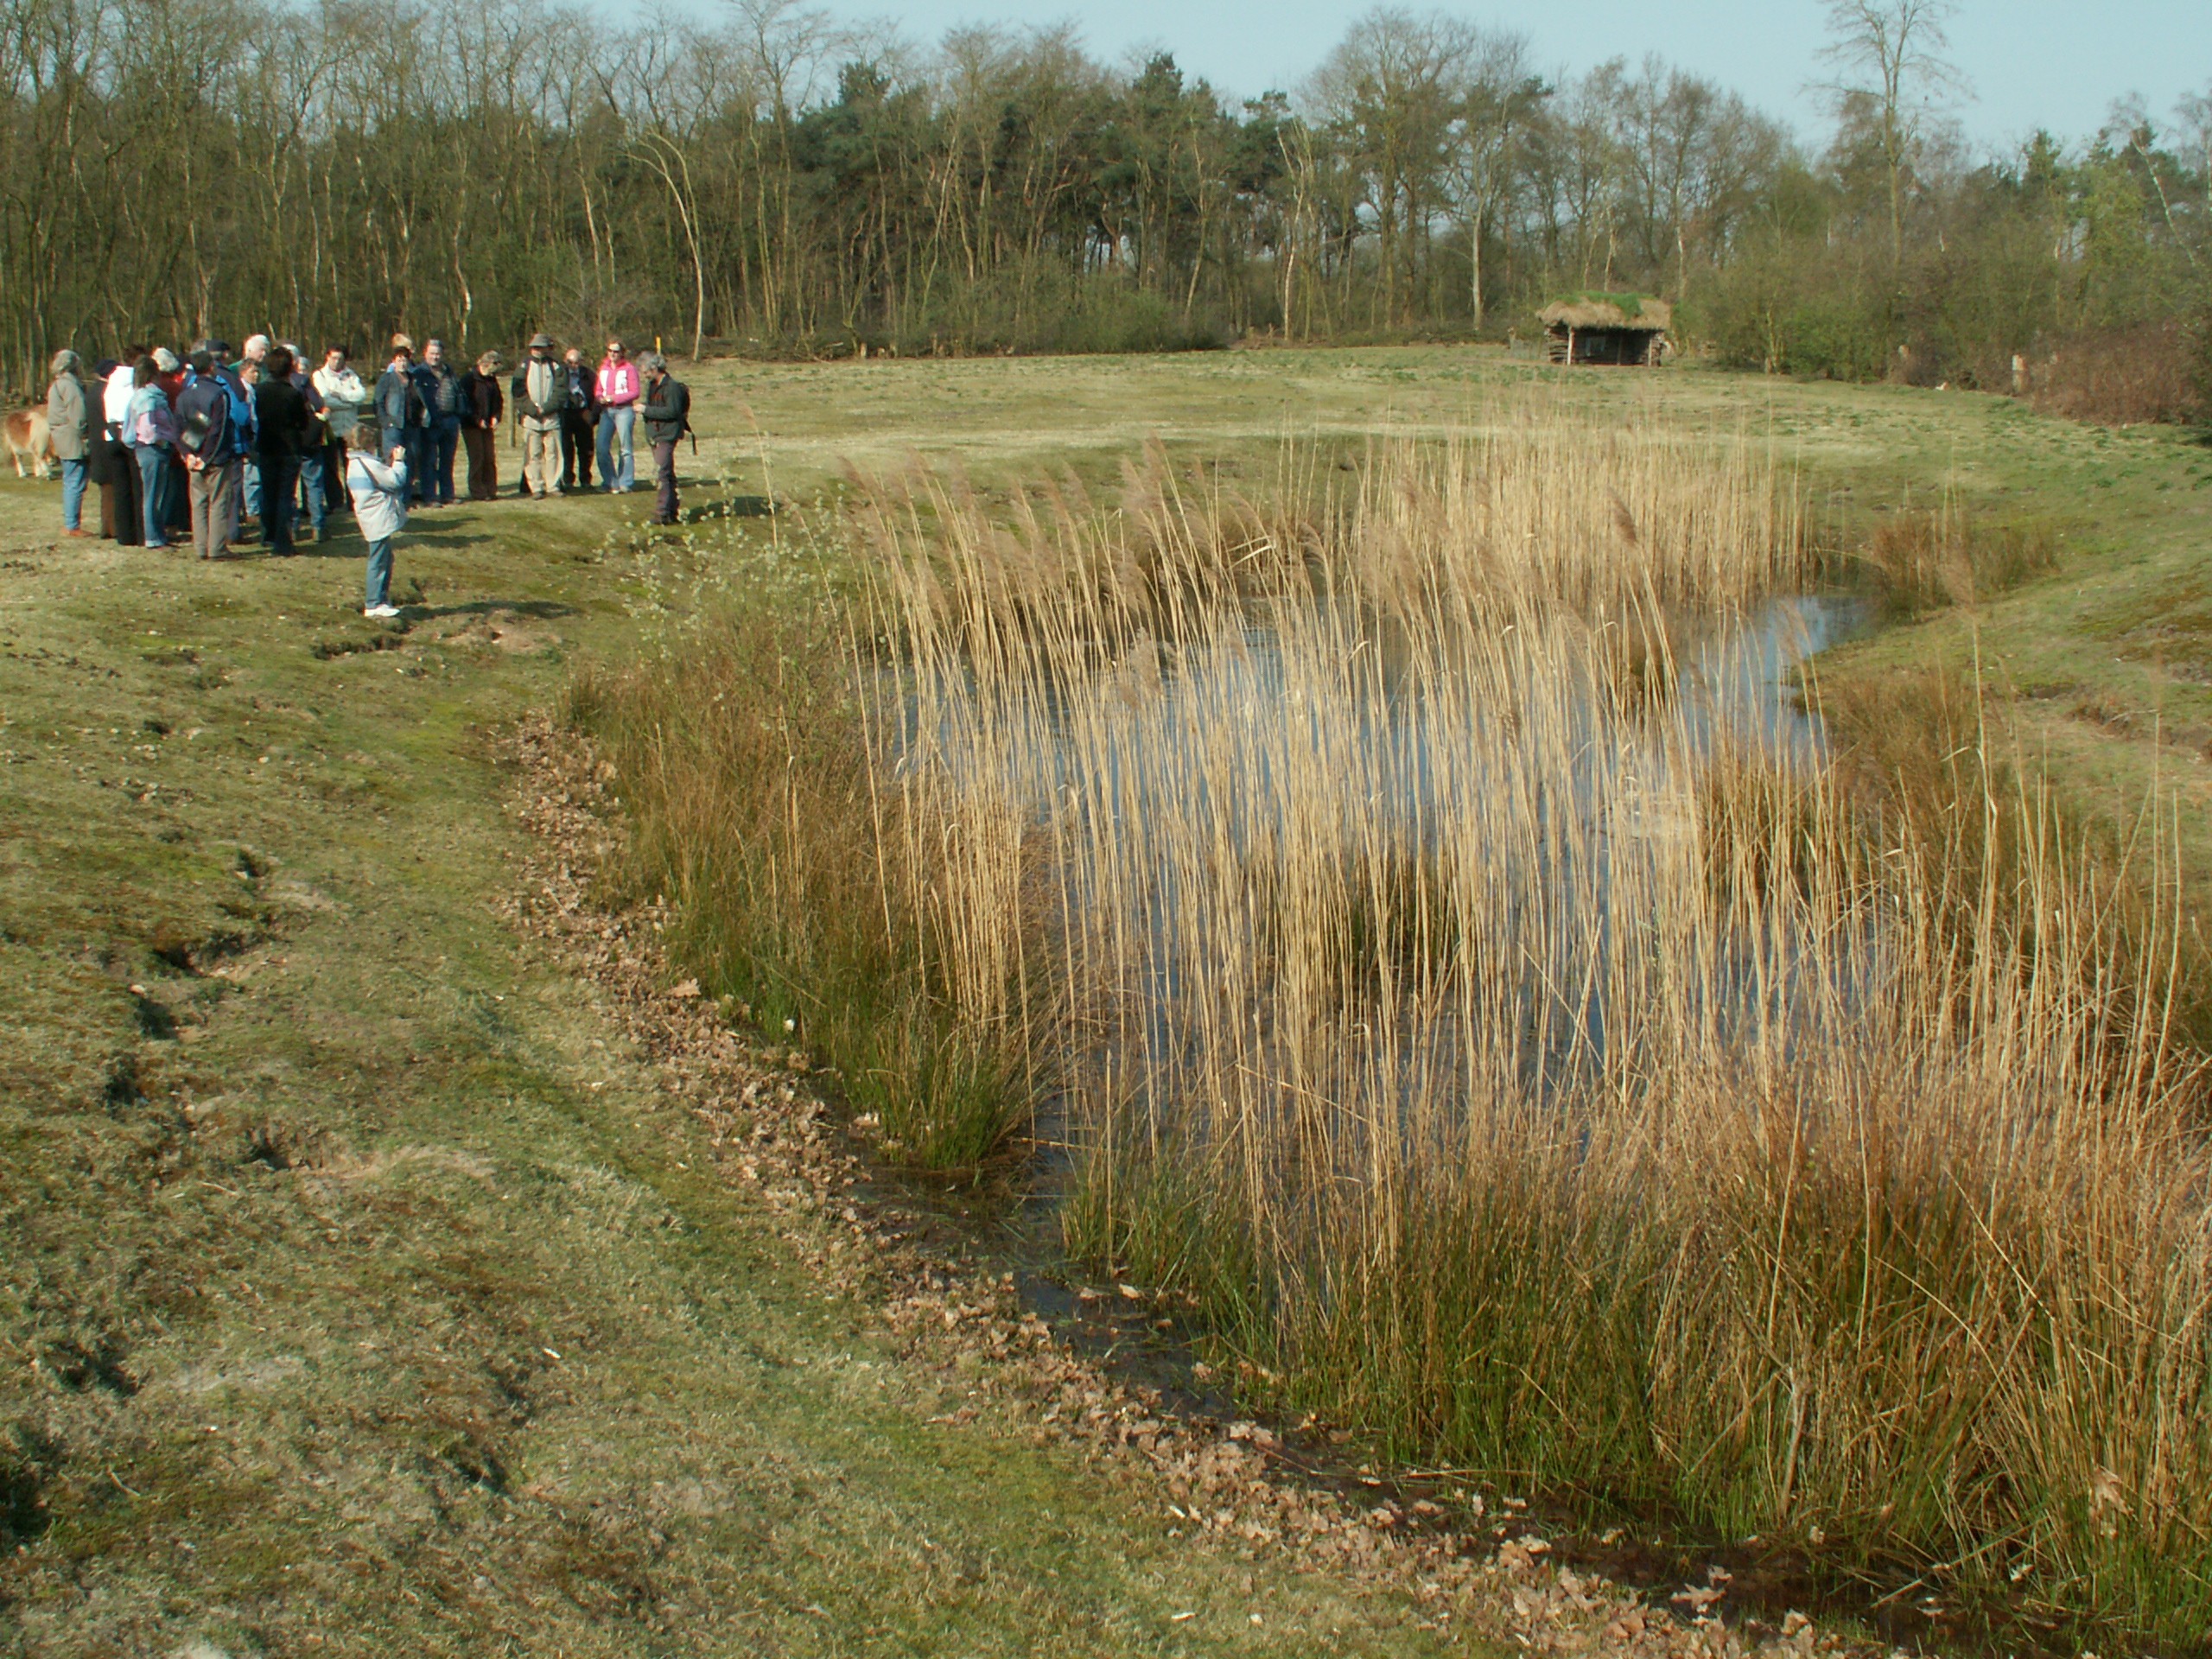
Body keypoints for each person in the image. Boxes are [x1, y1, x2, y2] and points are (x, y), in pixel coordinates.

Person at [175, 349, 241, 562]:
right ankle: (217, 548)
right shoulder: (218, 394)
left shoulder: (184, 394)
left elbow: (178, 428)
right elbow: (217, 430)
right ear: (211, 367)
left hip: (193, 458)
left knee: (199, 504)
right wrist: (207, 457)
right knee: (219, 502)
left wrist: (187, 454)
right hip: (215, 458)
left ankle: (201, 547)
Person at [252, 345, 313, 556]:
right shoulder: (292, 394)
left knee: (268, 493)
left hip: (266, 446)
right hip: (289, 448)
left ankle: (267, 535)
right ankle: (282, 542)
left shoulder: (258, 391)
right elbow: (303, 422)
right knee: (285, 496)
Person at [346, 439, 409, 620]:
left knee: (384, 558)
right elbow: (396, 480)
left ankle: (381, 600)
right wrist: (398, 461)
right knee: (379, 560)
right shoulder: (368, 463)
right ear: (368, 445)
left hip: (369, 515)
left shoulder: (354, 463)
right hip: (377, 515)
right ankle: (374, 603)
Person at [125, 359, 177, 548]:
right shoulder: (148, 399)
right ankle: (153, 537)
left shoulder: (141, 396)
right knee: (153, 494)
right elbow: (148, 429)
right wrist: (163, 441)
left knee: (156, 494)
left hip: (150, 449)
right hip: (152, 449)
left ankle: (158, 534)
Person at [312, 345, 367, 524]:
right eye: (334, 358)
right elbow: (325, 399)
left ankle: (354, 501)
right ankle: (335, 503)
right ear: (327, 357)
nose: (337, 362)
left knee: (352, 467)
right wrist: (348, 401)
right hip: (330, 428)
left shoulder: (351, 375)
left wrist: (341, 396)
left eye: (340, 358)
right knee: (330, 467)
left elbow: (361, 395)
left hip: (349, 430)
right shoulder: (319, 375)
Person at [280, 343, 329, 542]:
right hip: (307, 438)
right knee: (314, 483)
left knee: (289, 486)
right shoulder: (302, 381)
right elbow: (319, 405)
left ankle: (292, 526)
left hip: (286, 441)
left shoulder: (272, 383)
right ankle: (318, 526)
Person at [638, 351, 691, 527]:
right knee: (667, 472)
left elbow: (672, 412)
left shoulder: (672, 387)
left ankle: (662, 512)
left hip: (668, 434)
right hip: (657, 434)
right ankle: (672, 511)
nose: (644, 375)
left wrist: (645, 410)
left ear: (655, 368)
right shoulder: (653, 385)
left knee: (662, 473)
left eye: (646, 371)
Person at [46, 351, 94, 538]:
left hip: (62, 438)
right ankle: (72, 525)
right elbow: (79, 416)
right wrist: (86, 433)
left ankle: (70, 522)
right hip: (73, 439)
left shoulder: (56, 385)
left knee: (69, 481)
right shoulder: (71, 387)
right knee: (76, 481)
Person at [509, 333, 564, 500]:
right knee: (532, 454)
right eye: (534, 347)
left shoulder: (556, 367)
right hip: (531, 418)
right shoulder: (523, 367)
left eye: (540, 347)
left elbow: (561, 391)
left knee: (553, 453)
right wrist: (533, 410)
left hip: (551, 418)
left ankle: (553, 485)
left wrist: (546, 409)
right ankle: (536, 487)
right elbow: (518, 393)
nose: (537, 350)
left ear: (547, 349)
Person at [99, 350, 143, 546]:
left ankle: (124, 535)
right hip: (130, 434)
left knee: (121, 488)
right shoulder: (135, 384)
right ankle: (140, 533)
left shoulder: (111, 384)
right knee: (137, 486)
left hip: (111, 435)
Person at [375, 335, 428, 486]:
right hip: (394, 426)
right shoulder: (387, 379)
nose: (402, 363)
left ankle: (407, 496)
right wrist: (386, 422)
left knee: (411, 458)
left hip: (412, 426)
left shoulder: (414, 379)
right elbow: (378, 402)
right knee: (393, 460)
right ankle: (394, 495)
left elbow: (420, 400)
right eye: (399, 360)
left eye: (405, 360)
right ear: (393, 361)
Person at [420, 339, 463, 506]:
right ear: (425, 354)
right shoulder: (420, 373)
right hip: (430, 422)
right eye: (432, 353)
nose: (435, 357)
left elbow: (458, 392)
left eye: (438, 354)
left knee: (448, 460)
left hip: (450, 420)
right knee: (429, 460)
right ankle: (430, 496)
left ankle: (447, 494)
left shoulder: (449, 372)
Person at [594, 337, 639, 493]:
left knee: (625, 448)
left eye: (616, 351)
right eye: (610, 351)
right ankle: (610, 481)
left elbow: (635, 392)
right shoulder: (603, 368)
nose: (613, 354)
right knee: (601, 447)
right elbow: (598, 389)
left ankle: (625, 482)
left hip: (624, 410)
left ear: (622, 353)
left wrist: (615, 398)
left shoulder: (629, 369)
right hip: (607, 411)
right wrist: (601, 398)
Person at [460, 351, 505, 499]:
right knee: (477, 457)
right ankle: (477, 490)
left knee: (489, 457)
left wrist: (496, 417)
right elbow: (466, 404)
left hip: (488, 425)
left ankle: (491, 490)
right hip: (471, 426)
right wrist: (477, 420)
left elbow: (498, 401)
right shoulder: (469, 379)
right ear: (487, 364)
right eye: (496, 364)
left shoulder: (492, 380)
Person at [558, 345, 599, 492]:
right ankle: (568, 479)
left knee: (586, 448)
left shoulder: (589, 375)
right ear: (565, 361)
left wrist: (593, 415)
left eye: (576, 362)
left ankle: (585, 479)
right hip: (566, 412)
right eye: (570, 362)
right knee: (566, 448)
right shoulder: (560, 373)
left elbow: (597, 394)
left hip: (583, 412)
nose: (574, 366)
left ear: (581, 362)